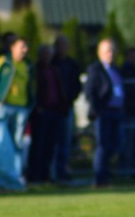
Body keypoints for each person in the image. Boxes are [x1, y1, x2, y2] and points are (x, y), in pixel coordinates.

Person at [0, 36, 33, 190]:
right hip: (4, 107)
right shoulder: (4, 61)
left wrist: (30, 103)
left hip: (21, 109)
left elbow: (32, 86)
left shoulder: (27, 65)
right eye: (22, 47)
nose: (25, 50)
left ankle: (15, 178)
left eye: (26, 47)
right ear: (12, 48)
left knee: (17, 144)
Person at [84, 39, 125, 187]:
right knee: (103, 145)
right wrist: (96, 109)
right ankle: (100, 179)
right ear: (100, 52)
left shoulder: (115, 69)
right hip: (104, 112)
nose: (111, 53)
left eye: (113, 50)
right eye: (107, 50)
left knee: (116, 144)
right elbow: (89, 91)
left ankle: (106, 175)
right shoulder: (96, 69)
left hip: (116, 112)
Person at [27, 45, 67, 183]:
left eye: (49, 54)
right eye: (44, 54)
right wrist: (37, 106)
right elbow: (32, 89)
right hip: (41, 112)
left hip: (55, 111)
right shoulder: (35, 70)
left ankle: (46, 175)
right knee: (38, 144)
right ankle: (34, 175)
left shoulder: (54, 69)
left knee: (50, 145)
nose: (47, 57)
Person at [51, 35, 82, 181]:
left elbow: (76, 86)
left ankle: (62, 171)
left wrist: (69, 100)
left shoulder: (71, 64)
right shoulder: (51, 63)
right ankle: (49, 173)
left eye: (65, 45)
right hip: (50, 109)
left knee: (65, 142)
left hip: (66, 108)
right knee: (50, 142)